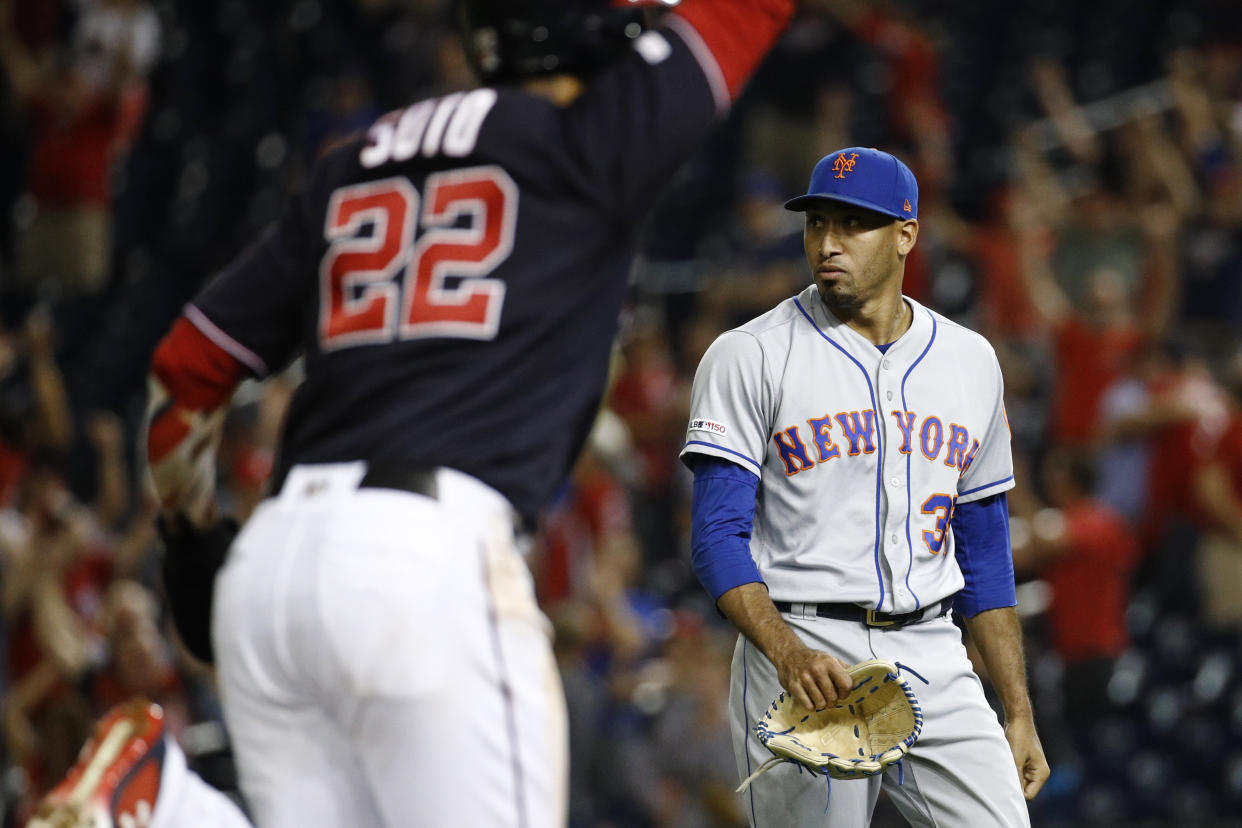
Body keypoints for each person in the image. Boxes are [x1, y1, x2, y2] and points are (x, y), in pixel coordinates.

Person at [34, 0, 796, 826]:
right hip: (429, 559)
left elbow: (188, 368)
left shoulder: (353, 160)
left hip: (276, 558)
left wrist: (187, 536)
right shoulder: (588, 141)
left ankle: (170, 807)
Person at [680, 147, 1049, 826]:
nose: (828, 243)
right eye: (817, 223)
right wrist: (787, 653)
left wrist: (1017, 711)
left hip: (935, 651)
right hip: (803, 647)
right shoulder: (751, 354)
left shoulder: (969, 360)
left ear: (906, 233)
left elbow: (986, 555)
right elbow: (714, 538)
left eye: (853, 225)